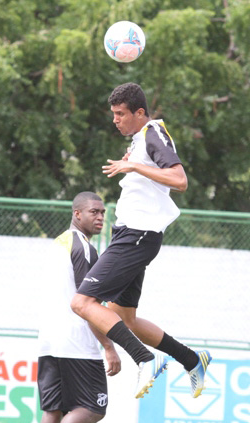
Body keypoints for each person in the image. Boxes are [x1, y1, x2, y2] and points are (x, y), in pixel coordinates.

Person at [70, 82, 211, 400]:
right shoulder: (141, 140)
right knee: (125, 318)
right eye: (114, 114)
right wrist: (134, 163)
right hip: (131, 235)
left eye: (121, 114)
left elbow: (180, 179)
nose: (115, 120)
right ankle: (192, 360)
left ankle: (145, 359)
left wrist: (133, 165)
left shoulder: (151, 133)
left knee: (82, 302)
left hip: (137, 236)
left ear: (140, 113)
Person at [19, 191, 121, 423]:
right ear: (77, 214)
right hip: (76, 340)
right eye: (94, 212)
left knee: (54, 410)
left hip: (49, 339)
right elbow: (87, 302)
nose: (101, 217)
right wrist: (108, 345)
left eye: (103, 212)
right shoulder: (85, 249)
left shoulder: (59, 243)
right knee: (94, 407)